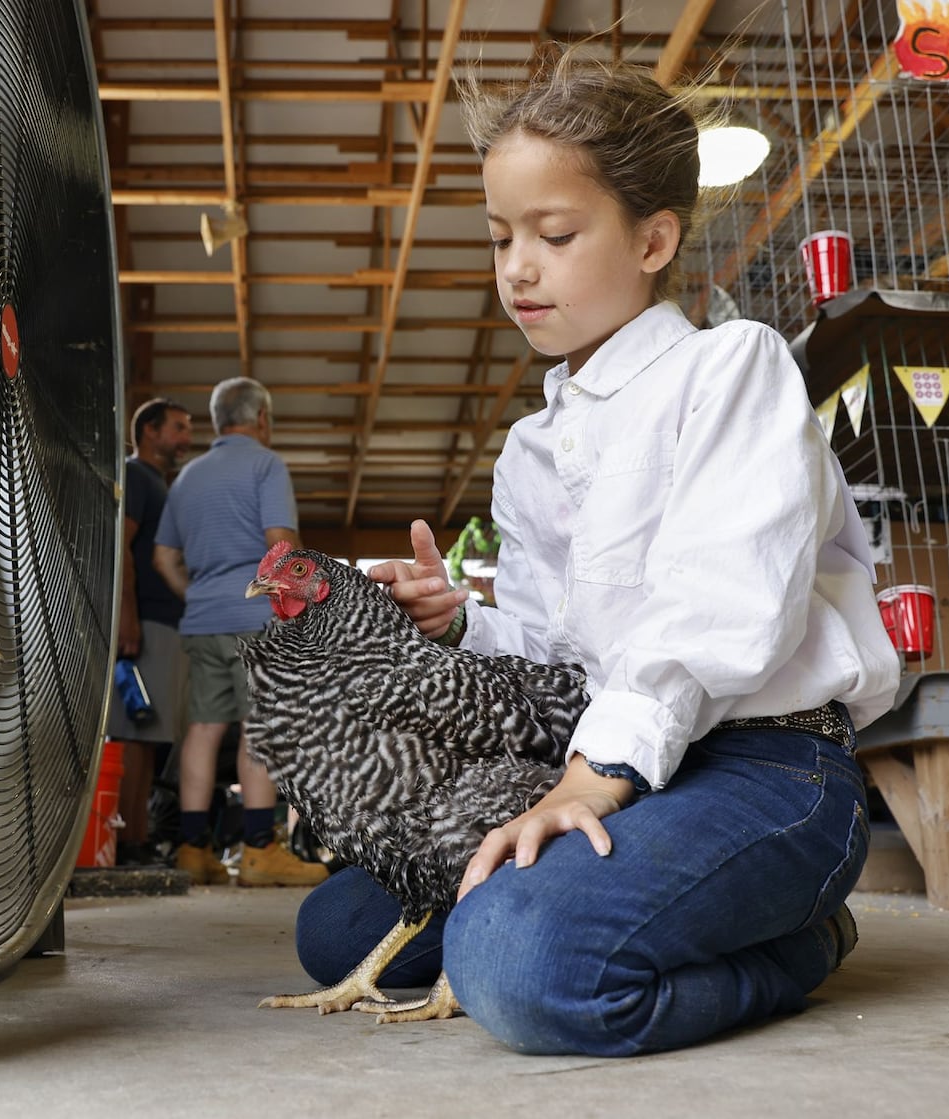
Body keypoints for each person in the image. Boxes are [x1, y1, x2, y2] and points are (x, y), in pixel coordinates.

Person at [289, 55, 900, 1056]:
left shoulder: (729, 368)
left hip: (766, 768)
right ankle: (666, 913)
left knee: (517, 964)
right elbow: (557, 648)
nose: (516, 267)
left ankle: (799, 942)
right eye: (499, 238)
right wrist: (460, 622)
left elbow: (717, 604)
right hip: (618, 769)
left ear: (654, 239)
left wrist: (588, 781)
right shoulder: (533, 450)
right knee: (341, 930)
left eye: (555, 235)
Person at [153, 377, 329, 889]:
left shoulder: (187, 477)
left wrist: (197, 596)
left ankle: (193, 851)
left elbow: (164, 557)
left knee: (203, 731)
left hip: (202, 618)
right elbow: (280, 541)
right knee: (258, 727)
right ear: (263, 419)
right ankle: (257, 850)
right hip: (256, 619)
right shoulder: (265, 464)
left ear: (216, 421)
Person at [109, 398, 194, 865]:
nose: (187, 437)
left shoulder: (160, 485)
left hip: (163, 623)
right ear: (149, 431)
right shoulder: (137, 477)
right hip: (145, 624)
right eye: (178, 428)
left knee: (147, 734)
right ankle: (125, 840)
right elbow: (120, 548)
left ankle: (134, 837)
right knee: (133, 733)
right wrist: (128, 616)